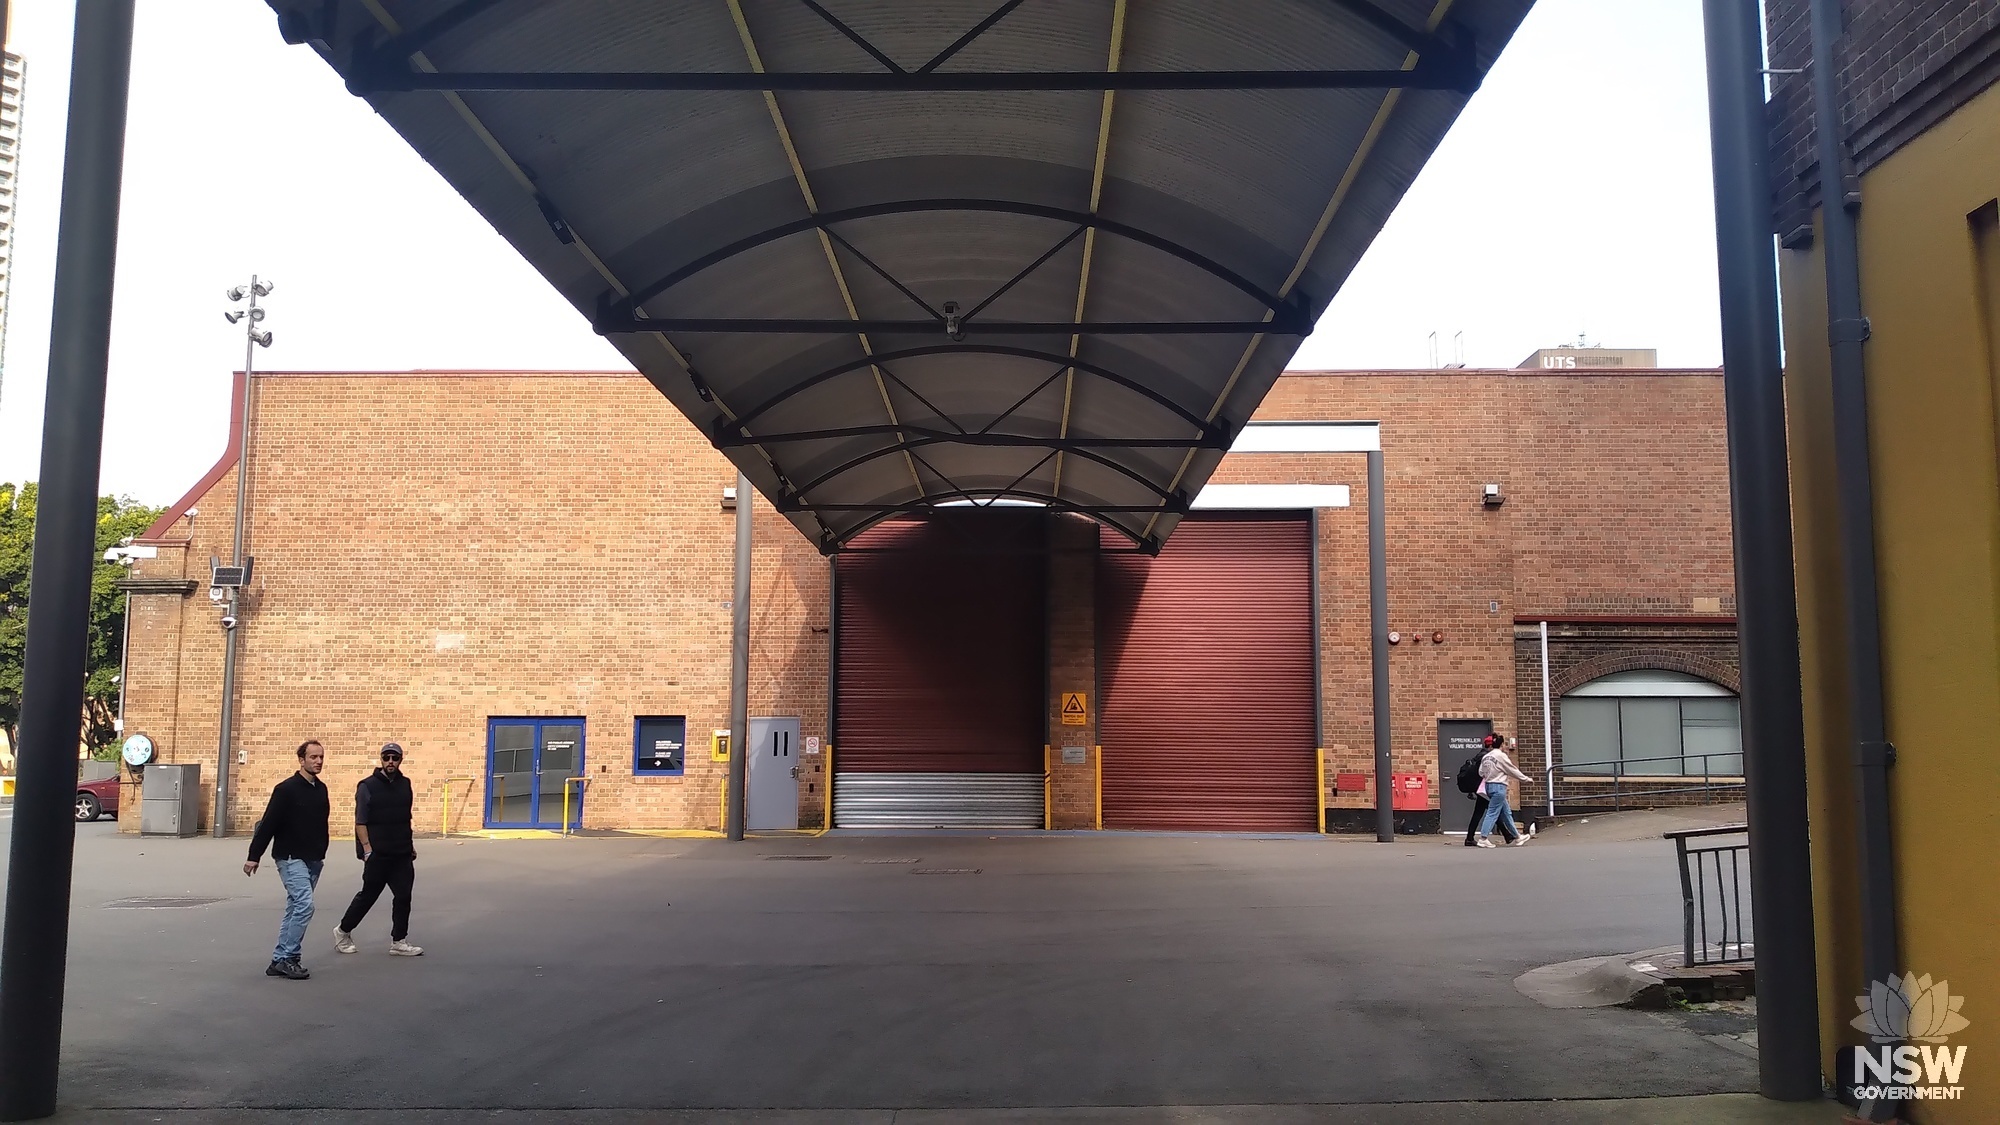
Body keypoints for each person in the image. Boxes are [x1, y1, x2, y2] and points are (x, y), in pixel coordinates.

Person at [245, 740, 332, 980]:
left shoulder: (321, 789)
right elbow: (268, 824)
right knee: (305, 906)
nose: (318, 761)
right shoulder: (286, 789)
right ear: (301, 760)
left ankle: (279, 959)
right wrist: (254, 856)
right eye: (313, 757)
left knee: (295, 907)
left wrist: (322, 850)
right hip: (290, 858)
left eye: (321, 757)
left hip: (314, 859)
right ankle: (290, 957)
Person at [333, 742, 424, 956]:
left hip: (401, 852)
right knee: (369, 895)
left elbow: (405, 819)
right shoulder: (367, 786)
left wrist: (410, 846)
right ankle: (343, 931)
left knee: (403, 896)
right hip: (378, 853)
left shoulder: (405, 784)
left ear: (401, 760)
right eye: (386, 758)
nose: (390, 762)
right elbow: (360, 821)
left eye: (395, 758)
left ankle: (399, 940)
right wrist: (367, 849)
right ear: (381, 759)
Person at [1475, 734, 1534, 848]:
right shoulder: (1501, 756)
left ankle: (1517, 837)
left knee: (1506, 813)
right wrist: (1525, 779)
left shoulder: (1486, 757)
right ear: (1502, 745)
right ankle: (1483, 838)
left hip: (1488, 786)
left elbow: (1480, 773)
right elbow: (1511, 769)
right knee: (1492, 813)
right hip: (1499, 787)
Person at [1462, 733, 1519, 847]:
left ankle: (1506, 835)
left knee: (1487, 812)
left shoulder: (1480, 756)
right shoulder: (1488, 757)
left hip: (1482, 789)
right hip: (1486, 788)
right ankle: (1503, 835)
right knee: (1492, 812)